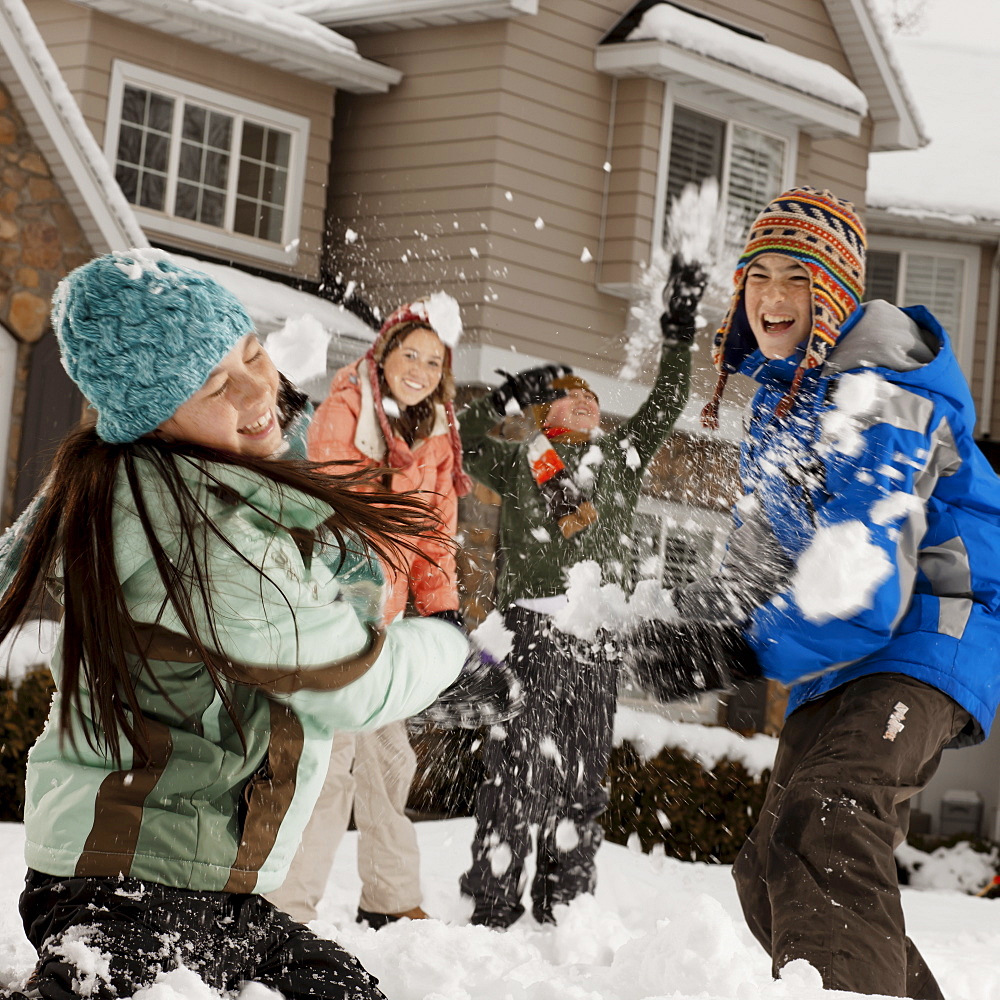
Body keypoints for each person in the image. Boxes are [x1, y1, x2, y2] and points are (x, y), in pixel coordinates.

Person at [0, 250, 476, 1000]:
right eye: (218, 383)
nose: (261, 389)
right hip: (130, 887)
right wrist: (450, 640)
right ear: (153, 419)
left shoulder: (168, 480)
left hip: (199, 886)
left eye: (254, 354)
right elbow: (353, 687)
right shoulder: (201, 538)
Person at [643, 187, 1000, 998]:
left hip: (931, 632)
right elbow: (757, 558)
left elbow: (863, 584)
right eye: (758, 275)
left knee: (832, 813)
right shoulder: (783, 397)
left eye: (796, 278)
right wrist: (679, 631)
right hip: (854, 655)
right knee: (770, 866)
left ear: (834, 290)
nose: (772, 297)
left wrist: (735, 649)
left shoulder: (883, 394)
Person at [455, 256, 718, 929]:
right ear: (547, 411)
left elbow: (665, 402)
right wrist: (503, 400)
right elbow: (462, 440)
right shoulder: (524, 458)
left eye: (593, 395)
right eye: (571, 394)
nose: (587, 399)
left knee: (582, 777)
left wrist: (678, 330)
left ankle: (564, 902)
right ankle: (492, 905)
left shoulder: (622, 456)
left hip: (598, 634)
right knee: (516, 769)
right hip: (531, 630)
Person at [268, 295, 473, 930]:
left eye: (433, 361)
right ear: (382, 356)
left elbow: (435, 533)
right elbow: (337, 510)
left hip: (391, 620)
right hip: (337, 612)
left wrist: (441, 611)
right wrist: (359, 601)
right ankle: (288, 907)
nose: (419, 368)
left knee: (389, 762)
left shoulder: (436, 434)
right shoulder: (346, 409)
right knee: (328, 766)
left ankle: (390, 897)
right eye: (409, 353)